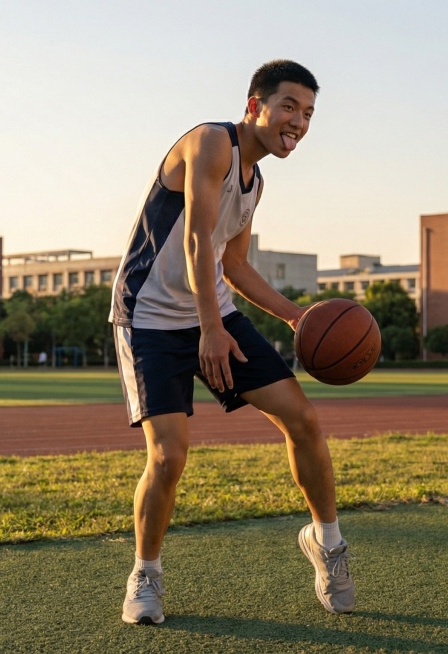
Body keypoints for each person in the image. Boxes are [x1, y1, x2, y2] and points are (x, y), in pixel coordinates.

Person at [109, 59, 353, 625]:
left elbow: (235, 267)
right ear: (255, 106)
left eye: (309, 113)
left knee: (304, 420)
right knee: (169, 456)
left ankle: (328, 544)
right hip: (147, 316)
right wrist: (211, 331)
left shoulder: (256, 182)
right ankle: (145, 574)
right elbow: (197, 238)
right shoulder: (210, 144)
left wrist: (298, 318)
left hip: (209, 308)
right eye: (289, 106)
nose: (299, 121)